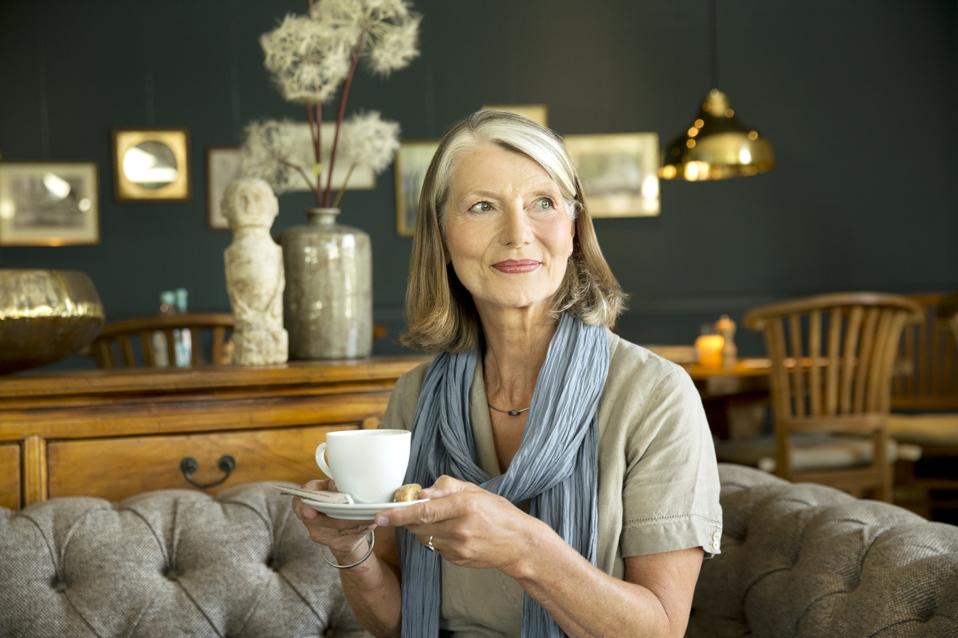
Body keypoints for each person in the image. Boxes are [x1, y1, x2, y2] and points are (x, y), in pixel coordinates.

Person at [293, 110, 722, 637]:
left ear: (573, 226)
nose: (518, 234)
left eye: (543, 203)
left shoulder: (655, 395)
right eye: (481, 207)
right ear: (442, 235)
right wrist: (350, 549)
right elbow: (398, 623)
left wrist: (526, 549)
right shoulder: (415, 397)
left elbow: (660, 630)